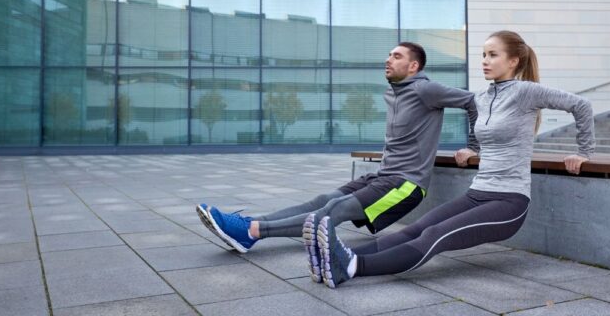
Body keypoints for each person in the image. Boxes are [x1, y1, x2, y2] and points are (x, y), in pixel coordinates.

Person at [309, 30, 595, 288]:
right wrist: (473, 148)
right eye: (483, 54)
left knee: (434, 235)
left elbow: (581, 105)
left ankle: (352, 266)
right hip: (477, 194)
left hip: (509, 201)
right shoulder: (483, 97)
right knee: (417, 228)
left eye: (492, 55)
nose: (485, 61)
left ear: (513, 61)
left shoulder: (526, 92)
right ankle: (337, 256)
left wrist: (583, 152)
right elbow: (479, 121)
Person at [196, 42, 479, 283]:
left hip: (406, 184)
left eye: (397, 56)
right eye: (388, 55)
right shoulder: (394, 93)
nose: (388, 60)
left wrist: (473, 146)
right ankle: (250, 222)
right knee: (323, 200)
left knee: (334, 209)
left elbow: (473, 101)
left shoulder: (426, 89)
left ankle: (251, 232)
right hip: (383, 176)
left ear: (414, 66)